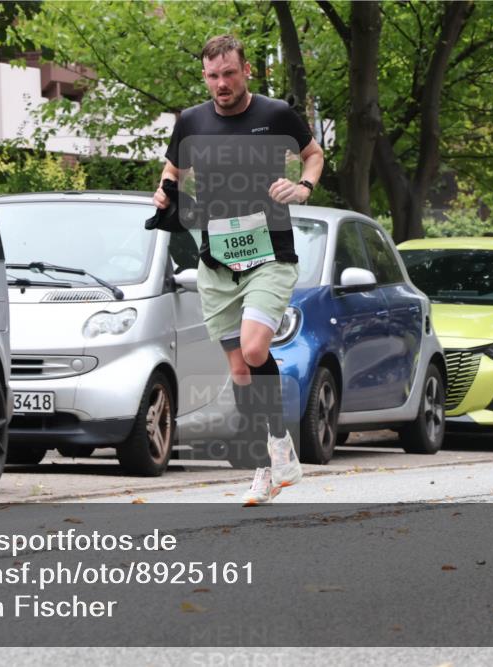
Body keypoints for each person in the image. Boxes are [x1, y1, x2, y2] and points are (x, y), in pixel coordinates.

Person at [153, 34, 325, 505]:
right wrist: (166, 192)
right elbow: (174, 171)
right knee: (241, 372)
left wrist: (304, 186)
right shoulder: (191, 121)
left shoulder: (274, 116)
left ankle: (280, 448)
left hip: (270, 253)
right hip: (218, 258)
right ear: (204, 76)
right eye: (213, 76)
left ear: (246, 70)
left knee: (253, 350)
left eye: (229, 73)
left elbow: (314, 154)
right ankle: (266, 466)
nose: (221, 84)